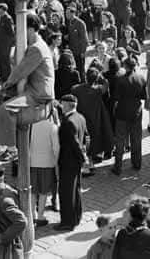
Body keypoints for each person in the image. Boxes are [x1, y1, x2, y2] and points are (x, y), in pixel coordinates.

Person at [56, 94, 87, 231]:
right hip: (75, 162)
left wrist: (82, 158)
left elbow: (75, 144)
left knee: (66, 193)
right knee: (76, 190)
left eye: (62, 104)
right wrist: (83, 157)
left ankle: (67, 222)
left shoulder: (68, 122)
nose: (61, 106)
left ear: (67, 105)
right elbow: (86, 138)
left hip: (68, 162)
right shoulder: (80, 117)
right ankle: (76, 217)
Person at [112, 56, 147, 175]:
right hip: (136, 112)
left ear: (125, 66)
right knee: (136, 139)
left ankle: (118, 167)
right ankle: (137, 164)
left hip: (122, 113)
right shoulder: (141, 77)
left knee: (120, 140)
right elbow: (144, 96)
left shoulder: (120, 79)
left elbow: (116, 97)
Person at [29, 110, 59, 228]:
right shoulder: (52, 127)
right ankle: (40, 215)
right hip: (47, 163)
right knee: (43, 191)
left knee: (33, 191)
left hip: (32, 162)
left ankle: (32, 214)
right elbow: (56, 148)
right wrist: (56, 162)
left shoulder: (31, 125)